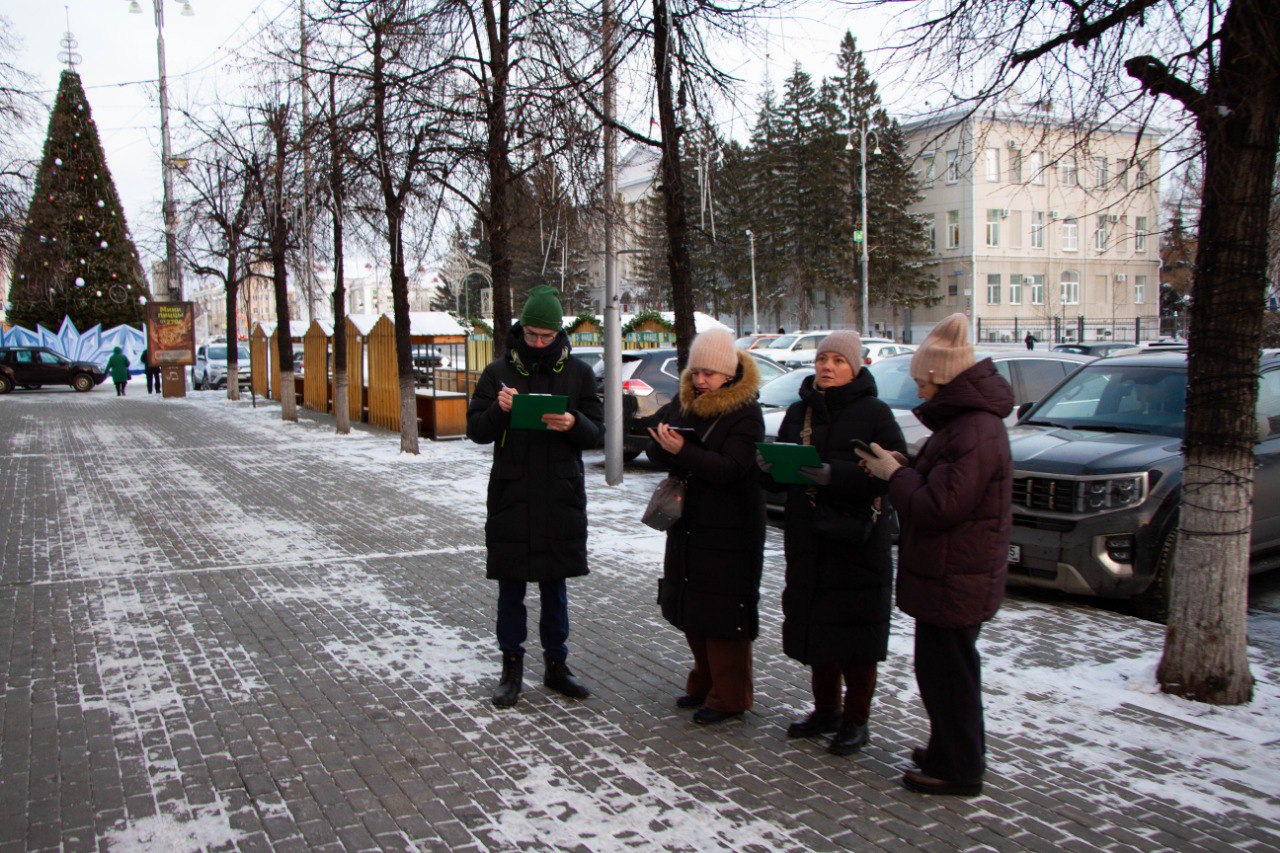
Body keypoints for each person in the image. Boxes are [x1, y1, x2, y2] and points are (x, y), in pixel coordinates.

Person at [858, 314, 1013, 797]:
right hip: (952, 570)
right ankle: (950, 749)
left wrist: (893, 476)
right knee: (944, 672)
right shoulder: (965, 426)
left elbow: (938, 505)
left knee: (950, 676)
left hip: (956, 572)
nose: (917, 390)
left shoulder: (973, 430)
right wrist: (906, 465)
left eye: (922, 381)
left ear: (941, 379)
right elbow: (943, 486)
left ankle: (960, 768)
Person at [759, 331, 906, 755]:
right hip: (809, 537)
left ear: (856, 367)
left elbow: (894, 468)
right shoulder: (799, 410)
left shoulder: (876, 412)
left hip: (857, 540)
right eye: (823, 358)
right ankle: (826, 711)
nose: (827, 366)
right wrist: (768, 467)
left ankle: (857, 721)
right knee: (817, 627)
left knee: (858, 635)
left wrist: (834, 474)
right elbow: (780, 472)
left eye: (839, 360)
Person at [466, 285, 605, 709]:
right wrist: (500, 411)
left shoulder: (579, 373)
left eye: (546, 336)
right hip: (512, 493)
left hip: (559, 494)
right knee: (511, 587)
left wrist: (572, 421)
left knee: (554, 587)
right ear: (521, 331)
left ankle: (557, 665)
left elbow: (598, 433)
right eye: (532, 335)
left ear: (558, 334)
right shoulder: (497, 373)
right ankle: (511, 668)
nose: (538, 343)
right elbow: (476, 430)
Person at [646, 328, 765, 726]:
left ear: (729, 375)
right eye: (695, 372)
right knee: (690, 603)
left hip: (732, 527)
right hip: (690, 522)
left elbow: (733, 468)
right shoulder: (685, 402)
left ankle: (731, 696)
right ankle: (703, 681)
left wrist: (685, 451)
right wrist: (660, 445)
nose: (699, 381)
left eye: (709, 374)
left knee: (725, 612)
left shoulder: (746, 412)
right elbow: (656, 443)